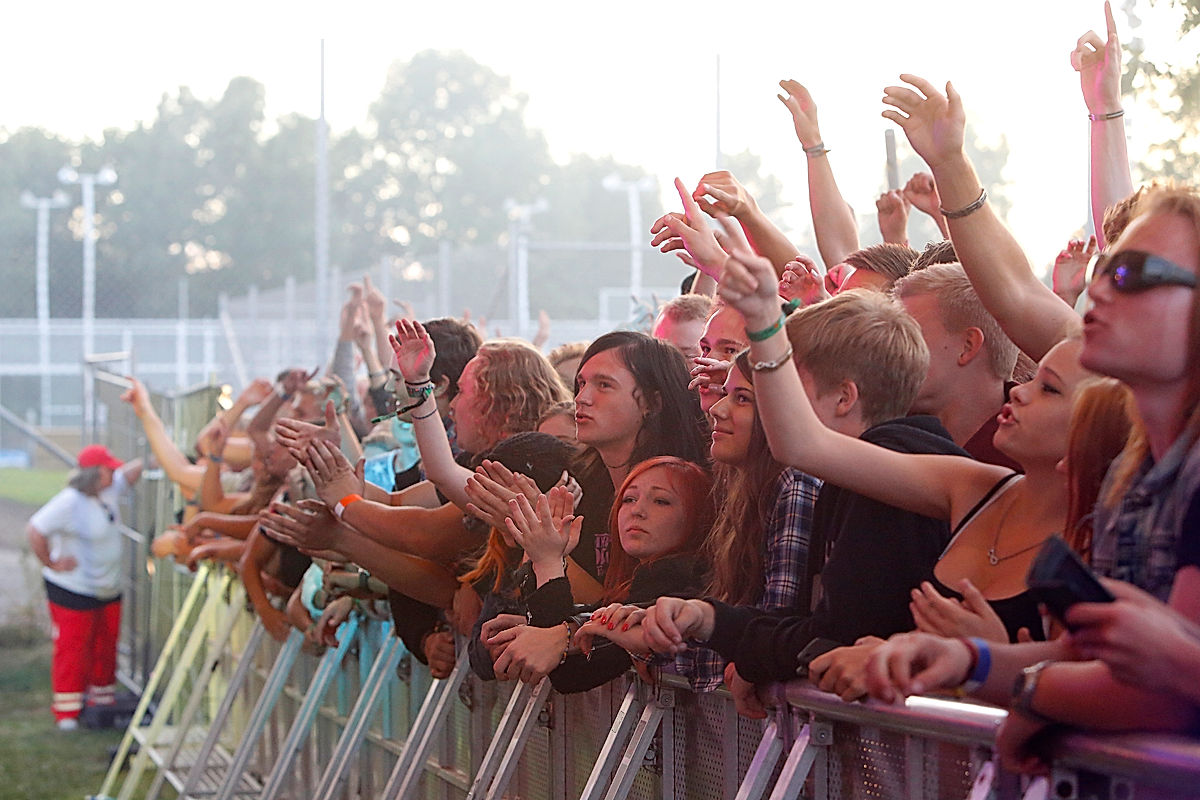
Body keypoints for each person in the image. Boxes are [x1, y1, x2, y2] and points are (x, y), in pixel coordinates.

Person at [27, 445, 142, 730]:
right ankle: (67, 713)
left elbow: (130, 473)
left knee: (105, 645)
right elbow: (35, 530)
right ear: (96, 473)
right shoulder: (69, 502)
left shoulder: (108, 490)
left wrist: (158, 454)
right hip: (72, 590)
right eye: (108, 469)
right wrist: (52, 563)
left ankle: (100, 703)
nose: (114, 472)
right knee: (72, 648)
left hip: (107, 588)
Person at [891, 263, 1020, 467]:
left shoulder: (1037, 459)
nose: (890, 351)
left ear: (968, 345)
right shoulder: (882, 438)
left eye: (908, 334)